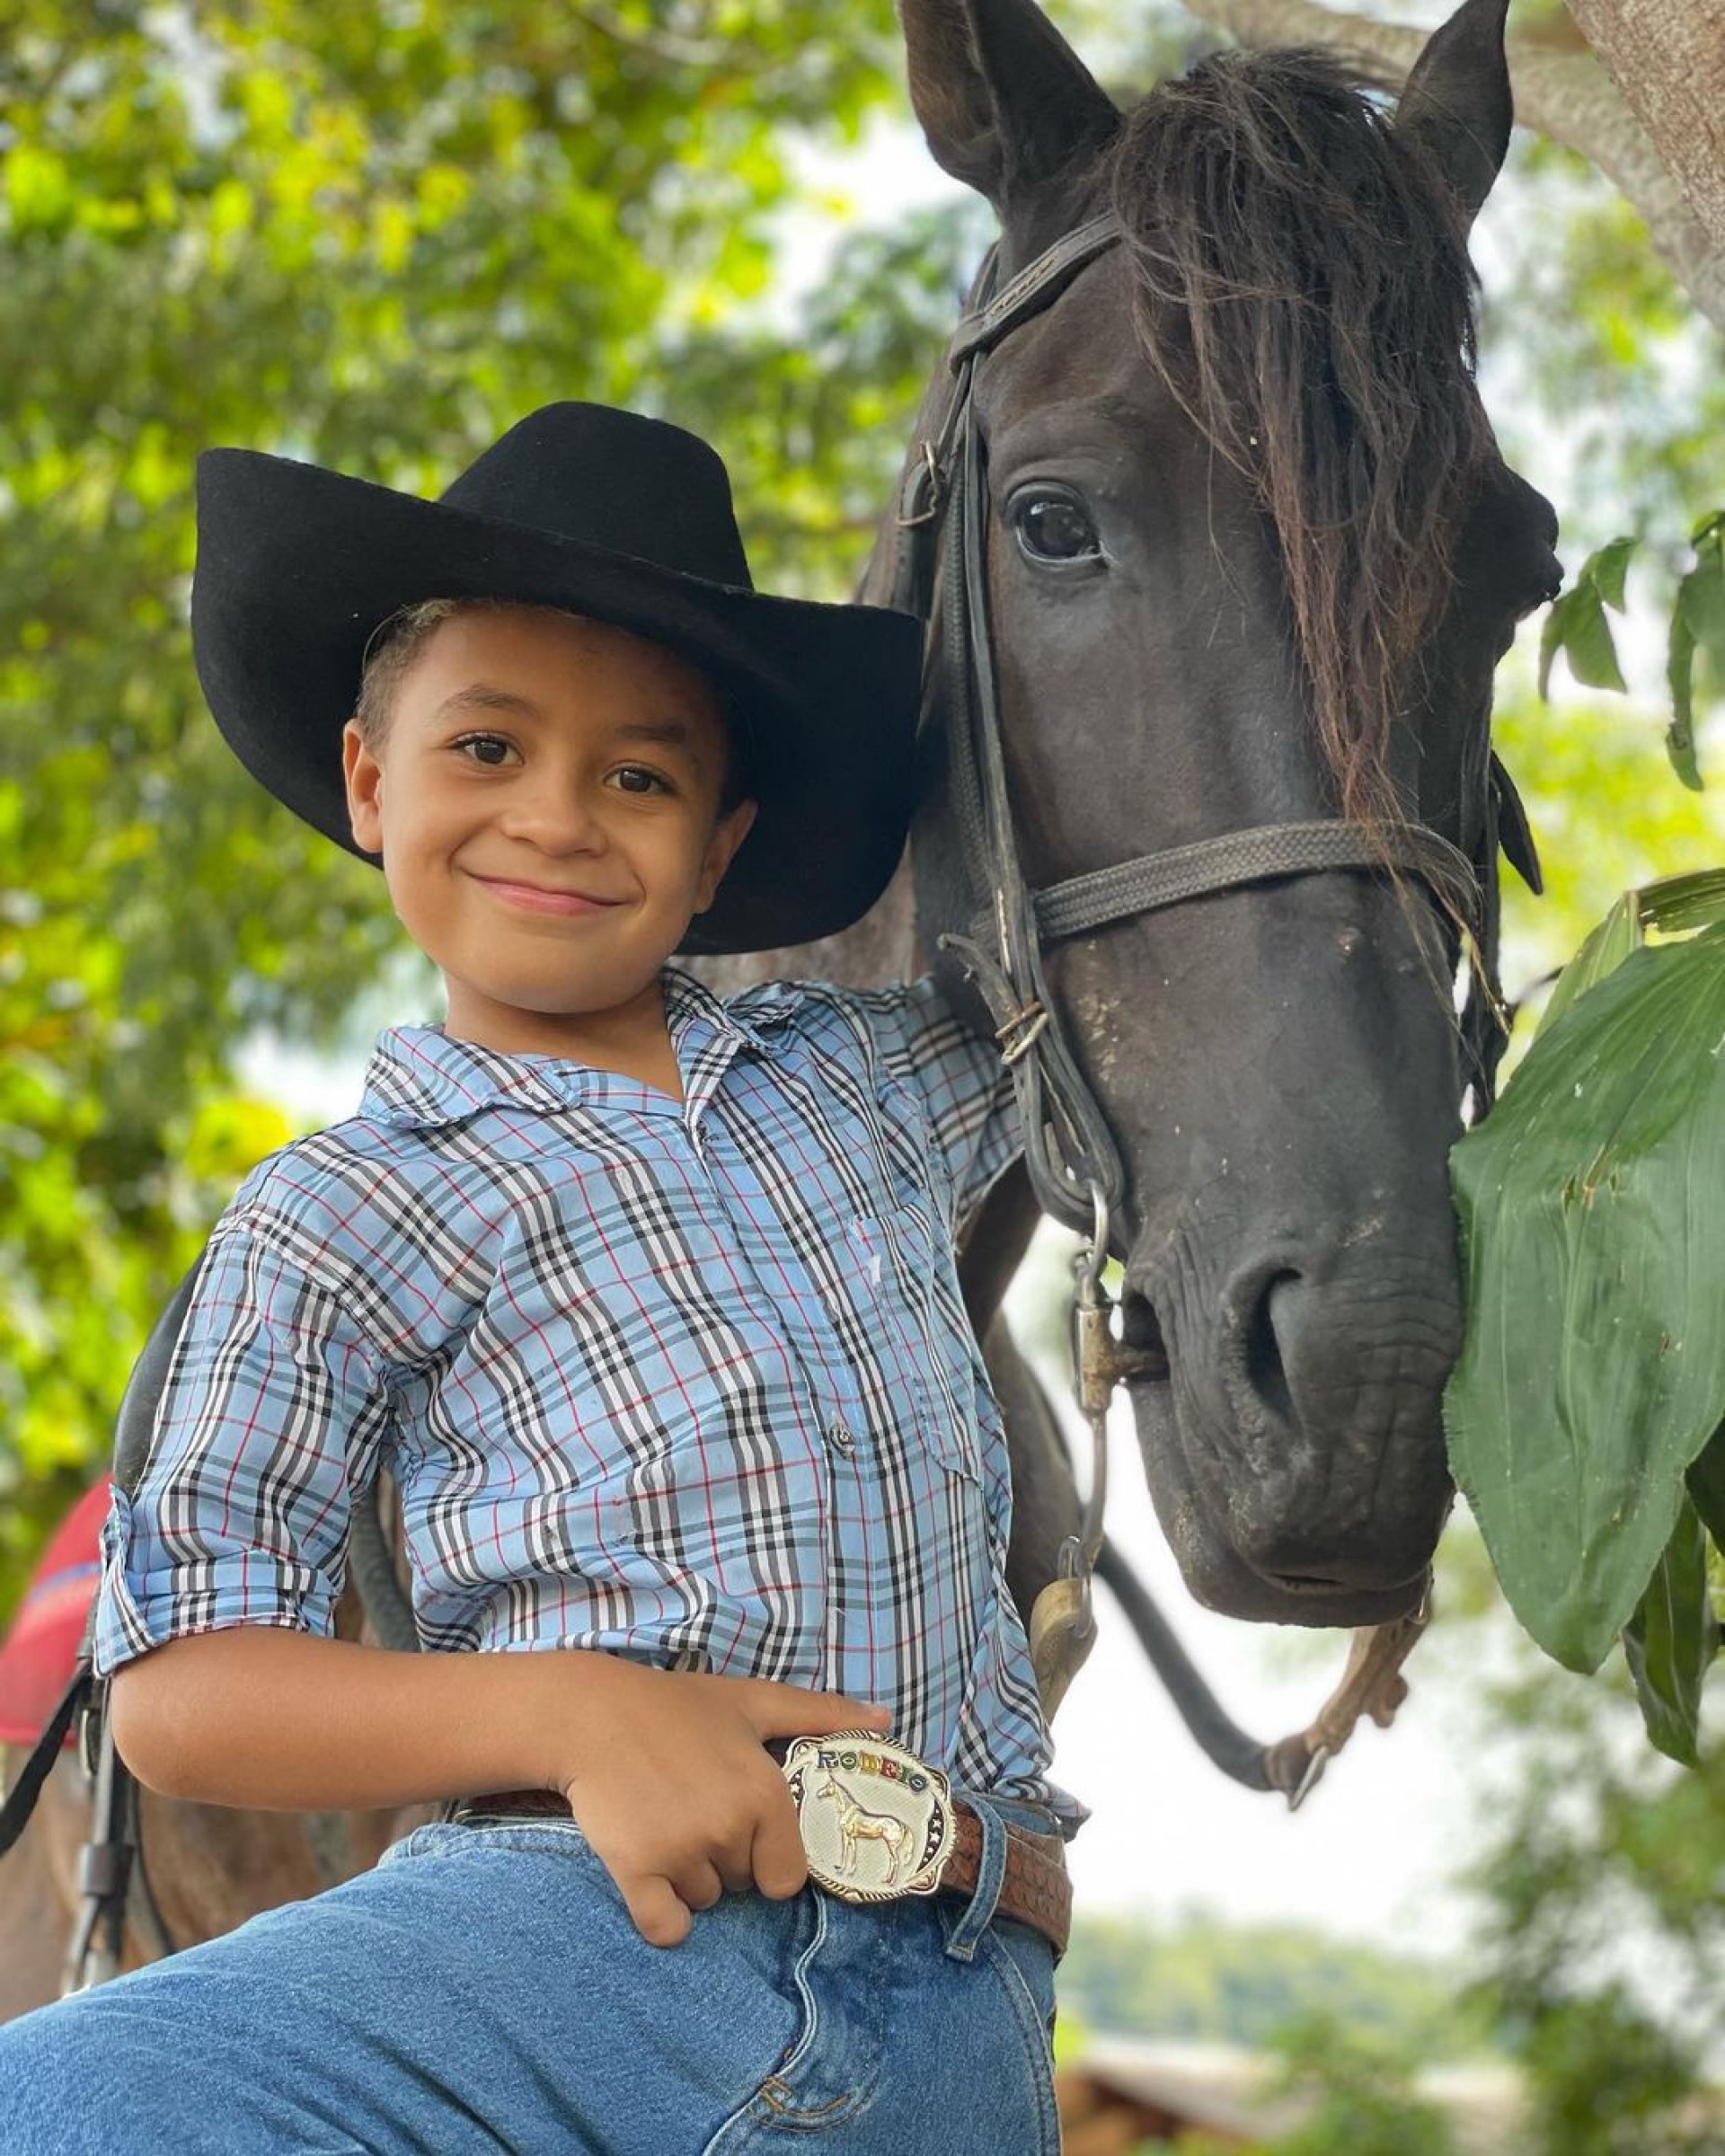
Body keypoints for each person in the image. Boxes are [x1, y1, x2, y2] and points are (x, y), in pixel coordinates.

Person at [0, 403, 1073, 2155]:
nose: (558, 818)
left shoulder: (873, 1077)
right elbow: (182, 1688)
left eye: (638, 776)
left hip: (968, 1984)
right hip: (586, 1943)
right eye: (487, 747)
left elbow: (1131, 986)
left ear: (721, 845)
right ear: (370, 782)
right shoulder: (336, 1213)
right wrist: (572, 1708)